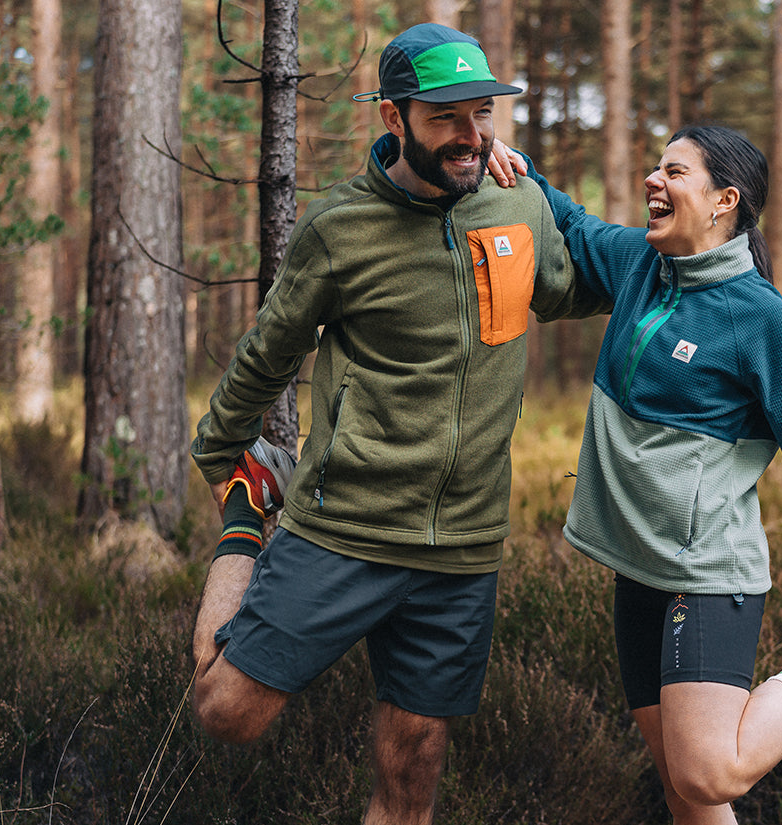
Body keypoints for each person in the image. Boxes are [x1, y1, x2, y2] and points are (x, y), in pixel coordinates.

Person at [186, 23, 604, 825]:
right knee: (226, 709)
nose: (470, 135)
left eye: (480, 113)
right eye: (446, 116)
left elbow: (569, 285)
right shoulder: (342, 228)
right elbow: (270, 349)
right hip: (346, 525)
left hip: (463, 546)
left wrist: (678, 265)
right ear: (394, 118)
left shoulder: (517, 200)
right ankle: (250, 516)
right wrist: (219, 457)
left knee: (411, 779)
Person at [523, 124, 782, 823]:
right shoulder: (640, 266)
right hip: (637, 570)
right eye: (655, 166)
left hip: (706, 576)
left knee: (709, 775)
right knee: (682, 790)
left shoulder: (760, 319)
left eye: (674, 171)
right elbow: (572, 224)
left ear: (724, 199)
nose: (653, 180)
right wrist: (512, 167)